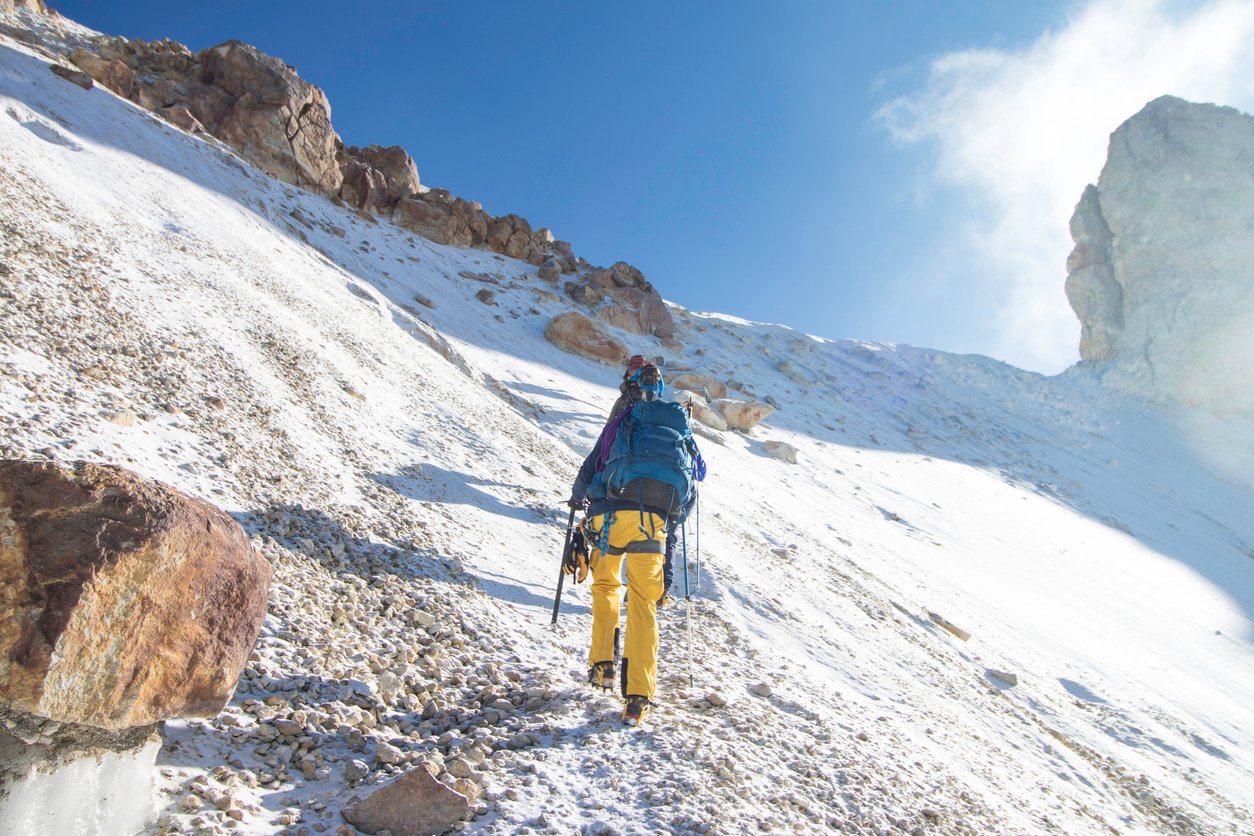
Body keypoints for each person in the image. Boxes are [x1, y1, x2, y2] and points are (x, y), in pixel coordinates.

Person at [567, 363, 706, 725]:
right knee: (644, 604)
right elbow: (686, 500)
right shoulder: (679, 433)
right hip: (654, 521)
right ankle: (638, 696)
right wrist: (669, 559)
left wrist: (576, 498)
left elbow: (594, 462)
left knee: (606, 585)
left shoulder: (624, 420)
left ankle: (602, 667)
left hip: (609, 516)